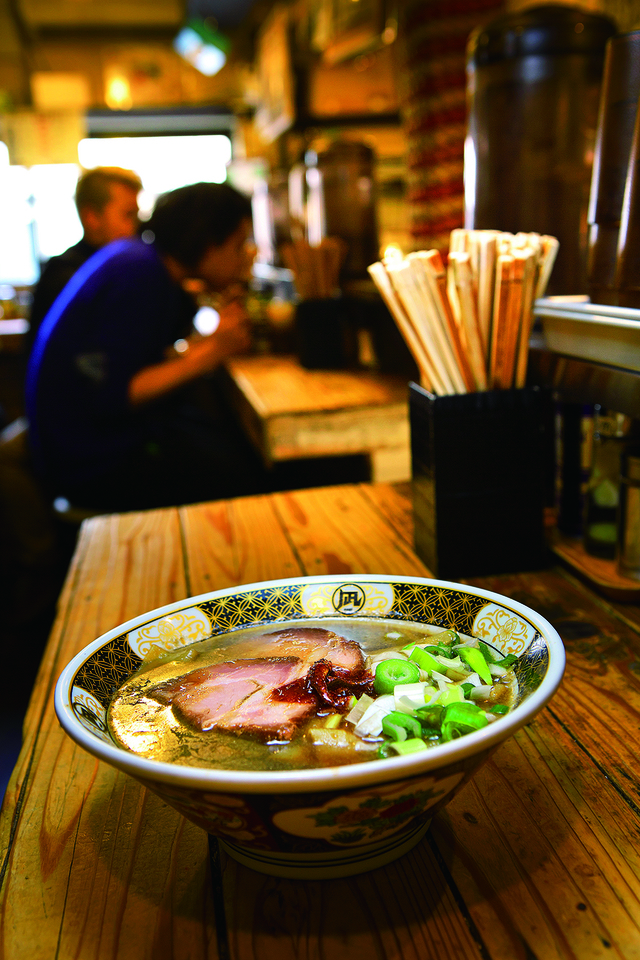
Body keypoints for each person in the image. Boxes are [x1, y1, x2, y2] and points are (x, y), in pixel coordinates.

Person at [25, 181, 265, 512]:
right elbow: (115, 396)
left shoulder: (141, 260)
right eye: (239, 245)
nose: (243, 257)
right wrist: (212, 352)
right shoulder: (140, 273)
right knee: (242, 472)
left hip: (87, 450)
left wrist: (209, 344)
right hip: (91, 465)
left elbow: (135, 361)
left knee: (221, 443)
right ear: (209, 243)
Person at [28, 166, 142, 340]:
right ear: (92, 217)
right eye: (128, 215)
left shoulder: (123, 265)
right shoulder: (65, 276)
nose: (136, 226)